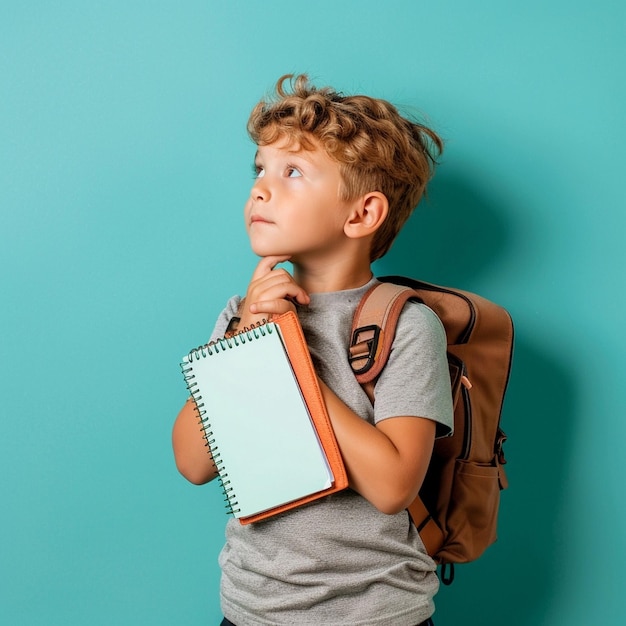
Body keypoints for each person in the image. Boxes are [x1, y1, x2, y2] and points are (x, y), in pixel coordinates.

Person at [172, 74, 454, 626]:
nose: (260, 188)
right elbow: (192, 462)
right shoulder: (242, 313)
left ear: (361, 215)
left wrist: (287, 358)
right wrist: (245, 339)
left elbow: (393, 485)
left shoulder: (407, 325)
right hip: (252, 609)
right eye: (260, 169)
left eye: (293, 172)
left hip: (374, 614)